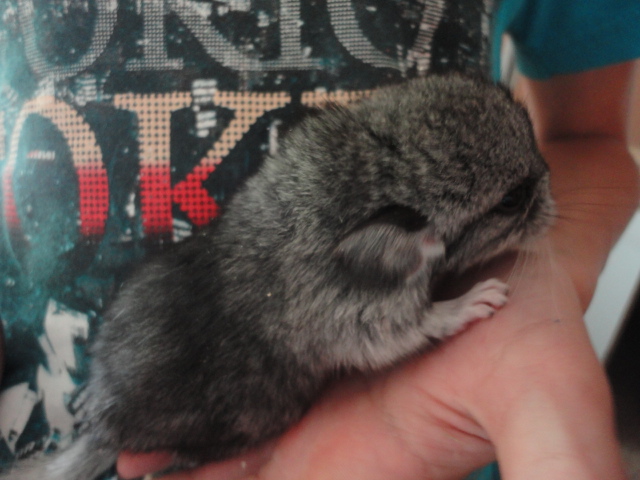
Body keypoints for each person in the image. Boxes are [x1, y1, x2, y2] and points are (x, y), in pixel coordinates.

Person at [0, 1, 638, 479]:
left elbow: (590, 136)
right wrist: (441, 316)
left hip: (395, 441)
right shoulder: (367, 264)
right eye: (512, 203)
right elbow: (372, 327)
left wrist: (542, 285)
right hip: (180, 391)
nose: (543, 194)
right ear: (408, 247)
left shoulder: (340, 197)